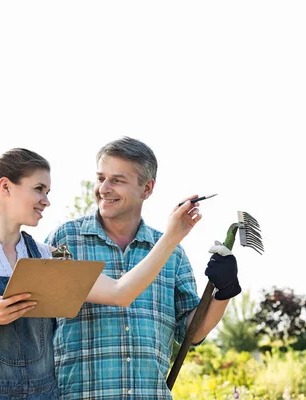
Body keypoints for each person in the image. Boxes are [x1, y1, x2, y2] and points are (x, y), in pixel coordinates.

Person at [0, 148, 202, 399]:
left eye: (47, 192)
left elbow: (120, 292)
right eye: (38, 189)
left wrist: (171, 237)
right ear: (5, 187)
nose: (46, 200)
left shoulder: (48, 255)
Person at [46, 137, 241, 399]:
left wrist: (223, 291)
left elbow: (191, 334)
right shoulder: (66, 241)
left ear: (147, 188)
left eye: (117, 180)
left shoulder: (173, 255)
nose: (104, 188)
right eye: (101, 178)